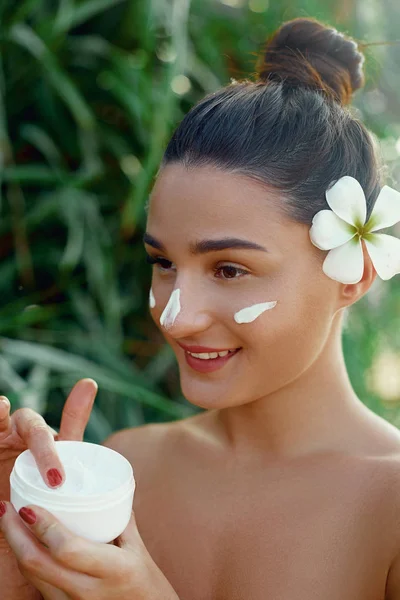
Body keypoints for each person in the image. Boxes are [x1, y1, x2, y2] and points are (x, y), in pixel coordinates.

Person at [1, 16, 400, 600]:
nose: (175, 316)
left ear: (355, 273)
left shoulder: (387, 505)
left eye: (229, 269)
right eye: (163, 263)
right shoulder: (119, 471)